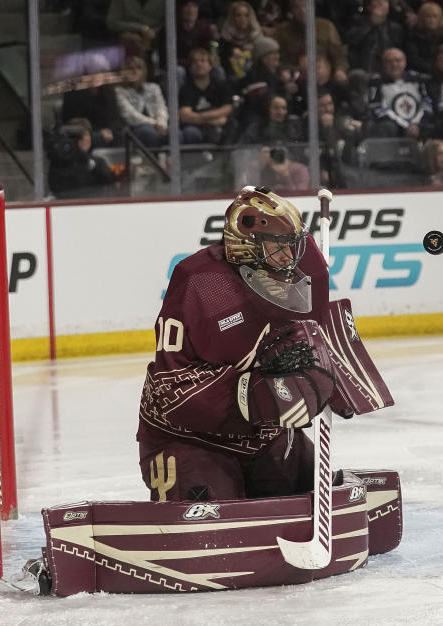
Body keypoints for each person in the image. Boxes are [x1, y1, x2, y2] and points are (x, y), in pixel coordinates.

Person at [137, 186, 345, 501]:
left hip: (264, 436)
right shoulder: (199, 280)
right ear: (247, 246)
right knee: (208, 510)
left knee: (304, 485)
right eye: (279, 248)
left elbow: (319, 334)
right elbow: (168, 391)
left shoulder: (302, 271)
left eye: (294, 246)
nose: (290, 258)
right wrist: (252, 395)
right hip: (191, 440)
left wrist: (330, 381)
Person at [47, 118, 118, 199]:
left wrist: (88, 161)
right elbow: (57, 188)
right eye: (79, 136)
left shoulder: (97, 162)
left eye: (87, 134)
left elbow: (110, 181)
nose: (84, 139)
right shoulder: (59, 163)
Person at [115, 55, 171, 148]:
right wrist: (154, 124)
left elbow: (161, 108)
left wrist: (161, 123)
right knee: (149, 133)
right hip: (134, 128)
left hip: (159, 125)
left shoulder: (154, 87)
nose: (134, 71)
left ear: (144, 72)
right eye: (130, 68)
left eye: (138, 68)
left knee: (176, 134)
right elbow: (131, 116)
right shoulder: (120, 91)